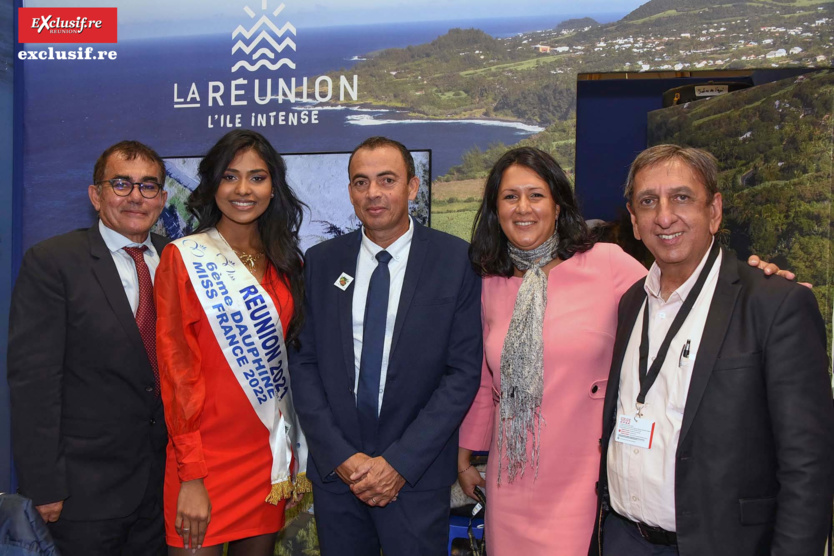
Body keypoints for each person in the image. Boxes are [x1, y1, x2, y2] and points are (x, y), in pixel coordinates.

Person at [591, 144, 834, 556]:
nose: (664, 216)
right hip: (624, 539)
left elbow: (808, 466)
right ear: (634, 220)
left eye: (681, 198)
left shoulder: (773, 304)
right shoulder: (632, 302)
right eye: (648, 202)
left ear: (715, 210)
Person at [289, 136, 483, 556]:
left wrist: (399, 463)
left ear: (412, 187)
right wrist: (341, 456)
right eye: (361, 182)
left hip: (414, 476)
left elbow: (462, 372)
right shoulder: (321, 263)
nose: (373, 193)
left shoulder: (456, 261)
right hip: (338, 476)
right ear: (350, 192)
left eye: (387, 180)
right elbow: (303, 364)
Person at [457, 147, 648, 555]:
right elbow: (487, 381)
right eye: (510, 197)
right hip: (510, 483)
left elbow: (676, 305)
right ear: (495, 209)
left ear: (558, 205)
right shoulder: (492, 283)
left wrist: (756, 285)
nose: (523, 208)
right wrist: (465, 456)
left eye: (536, 195)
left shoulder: (608, 264)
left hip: (585, 478)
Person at [8, 140, 170, 555]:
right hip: (81, 497)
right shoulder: (54, 262)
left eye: (148, 186)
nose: (136, 196)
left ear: (163, 199)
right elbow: (35, 384)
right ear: (95, 196)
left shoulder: (177, 262)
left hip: (163, 493)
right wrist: (43, 486)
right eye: (121, 184)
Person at [154, 129, 310, 556]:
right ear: (213, 185)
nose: (243, 190)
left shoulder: (288, 264)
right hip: (202, 461)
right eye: (230, 176)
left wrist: (291, 461)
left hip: (265, 458)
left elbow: (293, 369)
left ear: (273, 187)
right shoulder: (183, 257)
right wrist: (191, 476)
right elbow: (176, 370)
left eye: (257, 177)